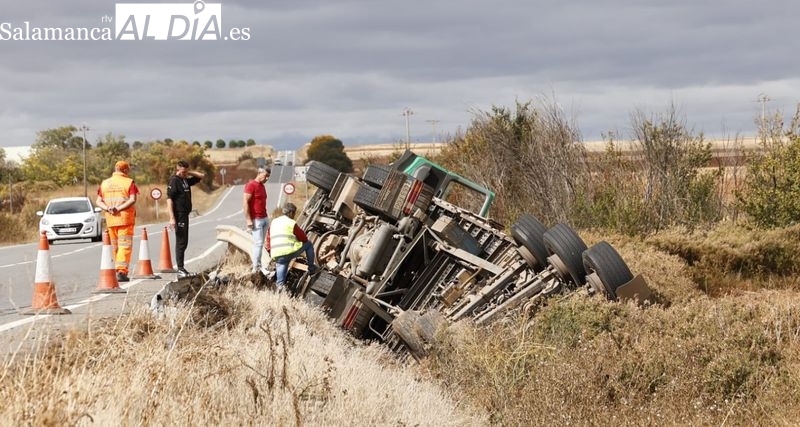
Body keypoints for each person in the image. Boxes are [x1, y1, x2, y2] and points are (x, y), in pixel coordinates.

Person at [95, 160, 139, 282]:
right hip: (124, 219)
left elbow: (98, 201)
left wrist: (108, 208)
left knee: (115, 247)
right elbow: (132, 199)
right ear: (125, 170)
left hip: (111, 220)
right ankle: (121, 271)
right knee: (124, 246)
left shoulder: (104, 183)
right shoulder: (129, 182)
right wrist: (118, 208)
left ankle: (117, 269)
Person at [166, 160, 205, 277]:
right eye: (183, 171)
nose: (185, 173)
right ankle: (180, 268)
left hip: (185, 214)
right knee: (181, 241)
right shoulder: (174, 181)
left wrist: (188, 172)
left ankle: (181, 267)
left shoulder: (185, 180)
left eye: (186, 171)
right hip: (178, 214)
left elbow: (201, 176)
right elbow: (169, 199)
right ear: (177, 169)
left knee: (184, 241)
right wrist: (172, 218)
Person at [265, 202, 317, 289]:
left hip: (276, 253)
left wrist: (271, 252)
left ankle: (279, 288)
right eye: (294, 213)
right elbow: (303, 238)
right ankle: (311, 269)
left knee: (282, 266)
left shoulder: (274, 222)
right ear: (290, 213)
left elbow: (268, 240)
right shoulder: (291, 222)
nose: (294, 215)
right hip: (288, 251)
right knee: (308, 244)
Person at [243, 167, 271, 273]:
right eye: (265, 176)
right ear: (259, 173)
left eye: (268, 176)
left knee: (260, 243)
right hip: (256, 219)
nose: (267, 178)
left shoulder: (262, 186)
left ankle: (259, 265)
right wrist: (248, 220)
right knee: (258, 243)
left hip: (264, 218)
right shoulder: (251, 185)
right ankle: (256, 267)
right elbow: (245, 202)